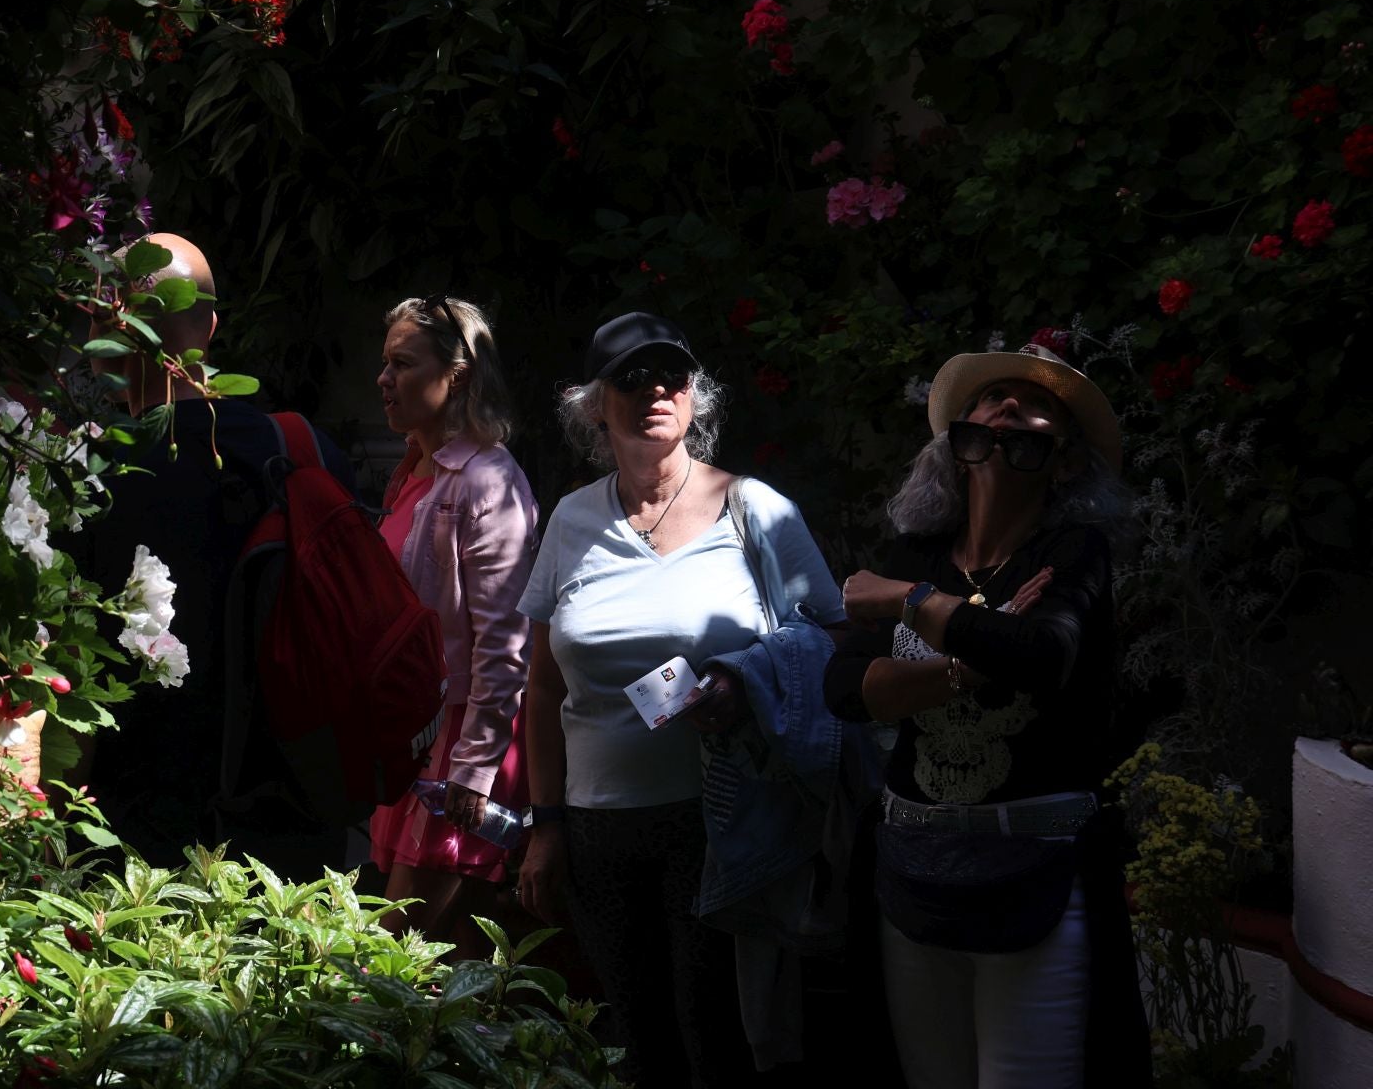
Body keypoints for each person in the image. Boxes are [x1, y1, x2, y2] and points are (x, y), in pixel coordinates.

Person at [515, 311, 847, 1088]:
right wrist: (547, 823)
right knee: (636, 1046)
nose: (656, 391)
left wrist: (744, 679)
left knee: (718, 1042)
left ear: (695, 397)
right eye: (632, 378)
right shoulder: (572, 518)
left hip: (721, 819)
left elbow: (833, 639)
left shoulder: (753, 509)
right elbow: (543, 683)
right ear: (595, 405)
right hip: (598, 832)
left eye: (673, 375)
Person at [823, 342, 1147, 1089]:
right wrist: (970, 662)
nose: (1008, 405)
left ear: (1064, 457)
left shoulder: (1072, 553)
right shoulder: (918, 550)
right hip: (912, 871)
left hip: (1034, 876)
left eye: (1036, 406)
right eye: (992, 397)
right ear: (956, 443)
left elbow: (1044, 653)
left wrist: (908, 603)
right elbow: (845, 688)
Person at [57, 232, 355, 877]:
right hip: (293, 817)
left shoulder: (89, 474)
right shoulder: (304, 451)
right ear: (212, 326)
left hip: (129, 829)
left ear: (113, 332)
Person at [369, 295, 539, 952]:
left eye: (403, 364)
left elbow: (506, 641)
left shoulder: (486, 481)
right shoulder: (414, 471)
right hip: (419, 732)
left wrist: (474, 768)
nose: (384, 379)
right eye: (386, 363)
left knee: (390, 961)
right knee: (447, 971)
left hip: (466, 743)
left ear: (458, 375)